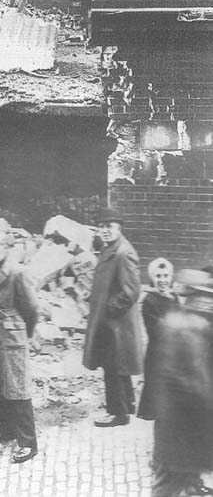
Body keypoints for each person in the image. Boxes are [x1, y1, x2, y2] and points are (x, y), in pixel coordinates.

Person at [151, 269, 213, 497]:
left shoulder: (190, 323)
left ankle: (193, 486)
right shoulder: (186, 328)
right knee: (167, 483)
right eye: (205, 296)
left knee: (181, 474)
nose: (209, 301)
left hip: (183, 426)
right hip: (181, 427)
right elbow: (194, 383)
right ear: (192, 296)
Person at [0, 231, 39, 463]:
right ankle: (7, 430)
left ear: (5, 247)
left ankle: (28, 443)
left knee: (17, 389)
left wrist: (26, 334)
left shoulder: (17, 272)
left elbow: (32, 309)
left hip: (12, 334)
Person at [83, 209, 143, 427]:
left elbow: (131, 291)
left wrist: (109, 310)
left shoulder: (123, 253)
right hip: (111, 321)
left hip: (115, 322)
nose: (105, 231)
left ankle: (118, 414)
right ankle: (127, 403)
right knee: (118, 364)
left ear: (119, 229)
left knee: (113, 365)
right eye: (102, 227)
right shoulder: (110, 249)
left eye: (110, 227)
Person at [137, 257, 178, 421]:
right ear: (153, 279)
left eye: (166, 276)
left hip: (174, 355)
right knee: (157, 403)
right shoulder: (149, 301)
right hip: (158, 356)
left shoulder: (173, 298)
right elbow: (157, 330)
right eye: (158, 276)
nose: (162, 280)